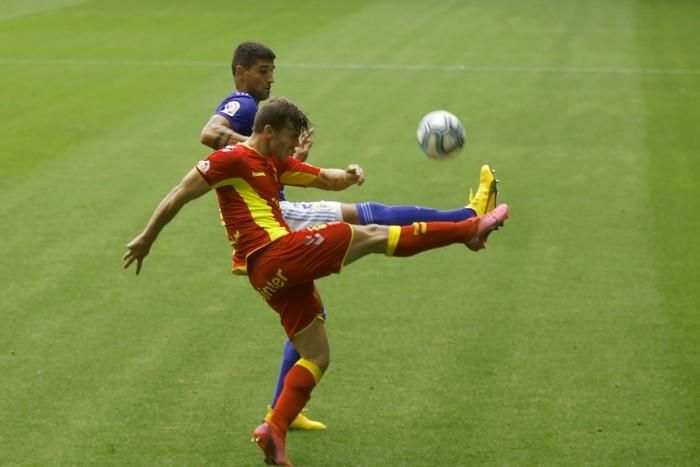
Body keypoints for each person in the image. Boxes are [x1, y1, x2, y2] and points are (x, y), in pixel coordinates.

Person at [124, 96, 509, 466]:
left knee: (317, 355)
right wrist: (147, 237)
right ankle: (468, 230)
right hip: (276, 254)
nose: (294, 146)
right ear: (270, 131)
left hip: (268, 277)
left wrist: (351, 174)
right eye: (291, 137)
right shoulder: (231, 159)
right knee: (371, 234)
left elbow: (326, 179)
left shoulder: (274, 163)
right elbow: (179, 193)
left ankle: (273, 429)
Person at [199, 41, 499, 430]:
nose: (270, 77)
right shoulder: (242, 103)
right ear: (240, 73)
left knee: (310, 319)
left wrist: (281, 160)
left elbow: (274, 165)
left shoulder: (259, 117)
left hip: (274, 217)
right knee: (372, 218)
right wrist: (263, 155)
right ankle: (468, 218)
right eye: (261, 70)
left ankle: (280, 414)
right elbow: (211, 134)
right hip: (279, 221)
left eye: (272, 70)